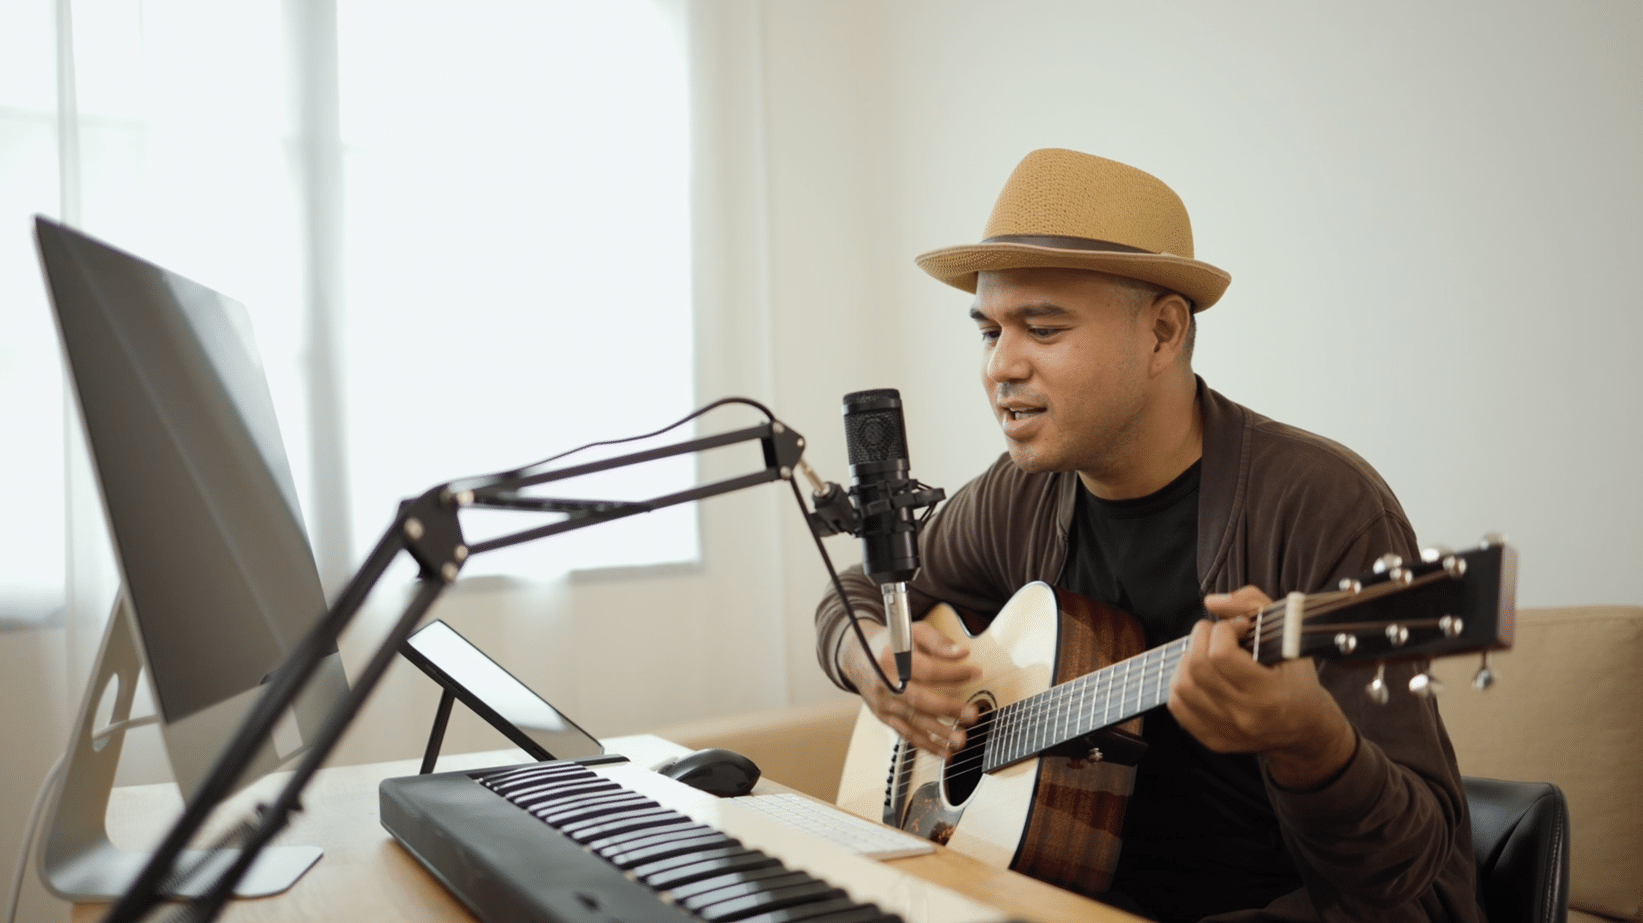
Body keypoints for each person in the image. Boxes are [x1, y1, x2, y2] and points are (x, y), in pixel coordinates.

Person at [813, 149, 1481, 923]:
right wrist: (865, 652)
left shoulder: (1321, 506)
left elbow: (1411, 872)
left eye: (1042, 328)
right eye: (988, 330)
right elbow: (858, 592)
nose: (1000, 364)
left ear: (1162, 332)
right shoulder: (1018, 495)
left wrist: (1310, 740)